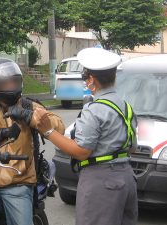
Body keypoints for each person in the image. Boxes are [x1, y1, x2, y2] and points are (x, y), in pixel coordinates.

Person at [33, 48, 138, 225]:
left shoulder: (94, 109)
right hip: (126, 177)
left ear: (91, 80)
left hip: (101, 182)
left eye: (85, 77)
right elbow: (132, 146)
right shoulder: (126, 106)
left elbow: (81, 152)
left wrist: (48, 131)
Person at [0, 58, 65, 225]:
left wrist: (28, 116)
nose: (11, 86)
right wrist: (0, 133)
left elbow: (59, 127)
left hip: (17, 182)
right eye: (6, 83)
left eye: (14, 81)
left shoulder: (29, 105)